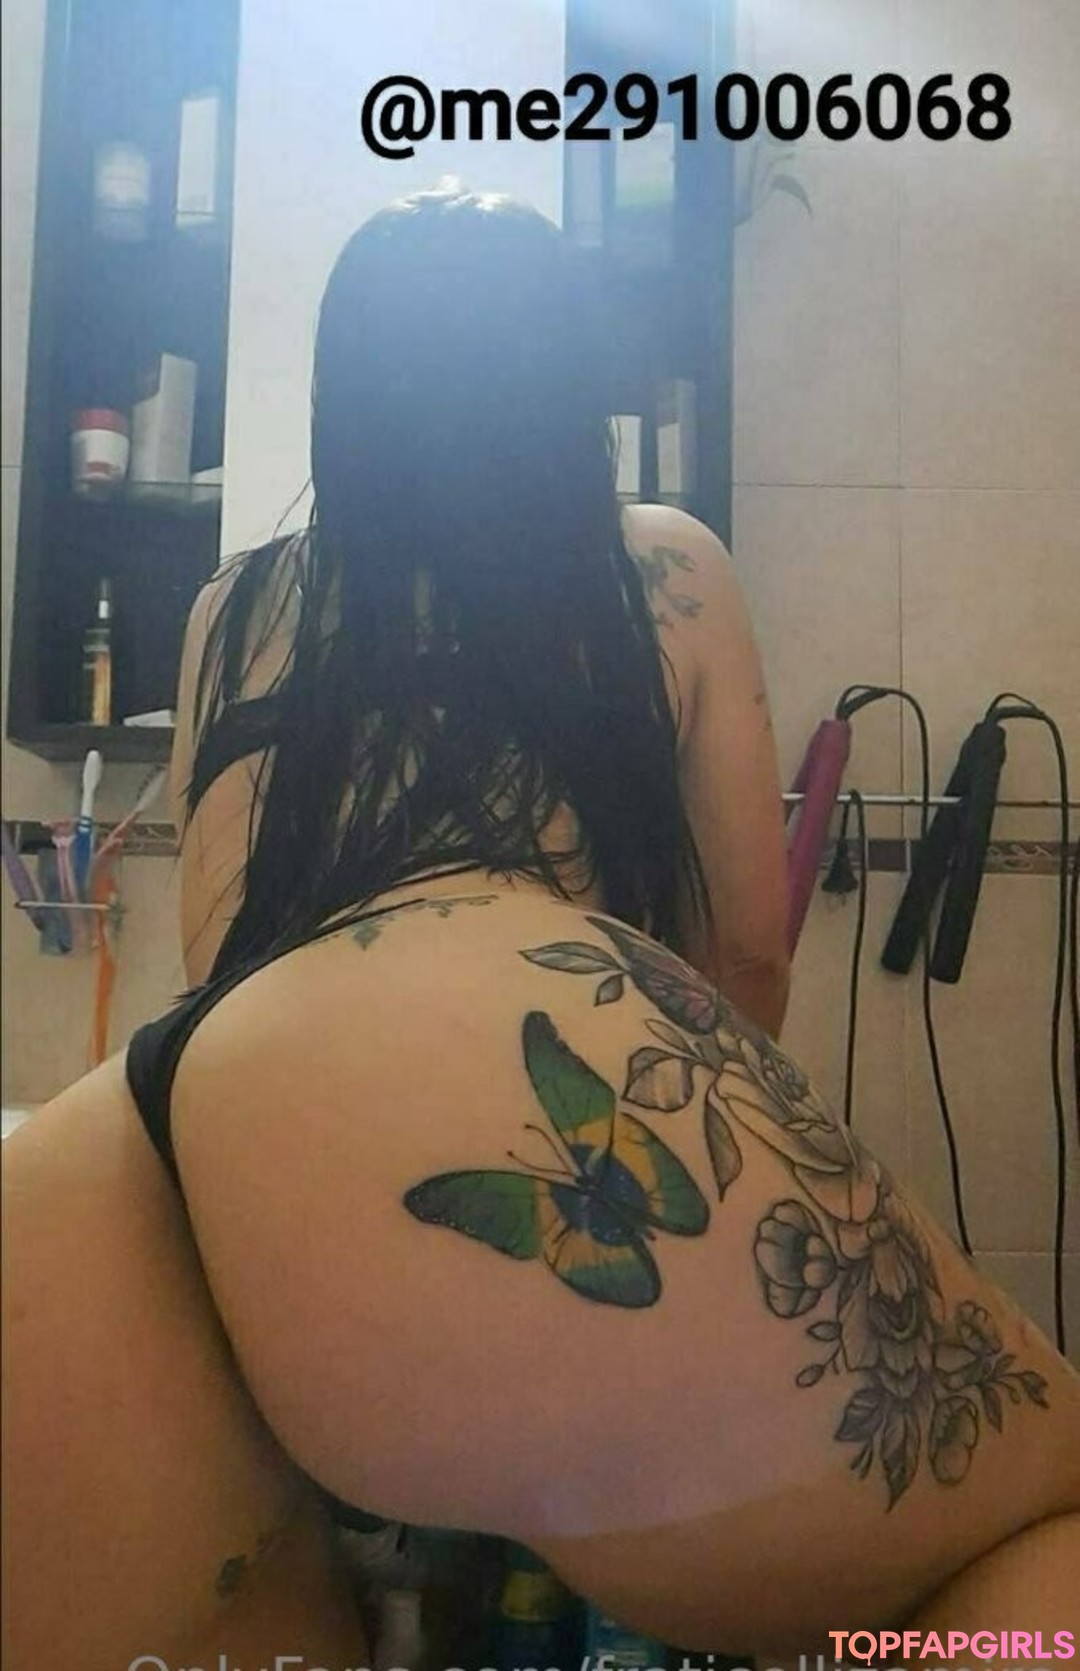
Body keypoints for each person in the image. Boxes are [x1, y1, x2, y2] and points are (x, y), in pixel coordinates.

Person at [3, 189, 1078, 1671]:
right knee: (1046, 1523)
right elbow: (747, 956)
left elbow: (220, 958)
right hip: (539, 1102)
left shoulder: (232, 603)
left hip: (186, 1153)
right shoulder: (664, 569)